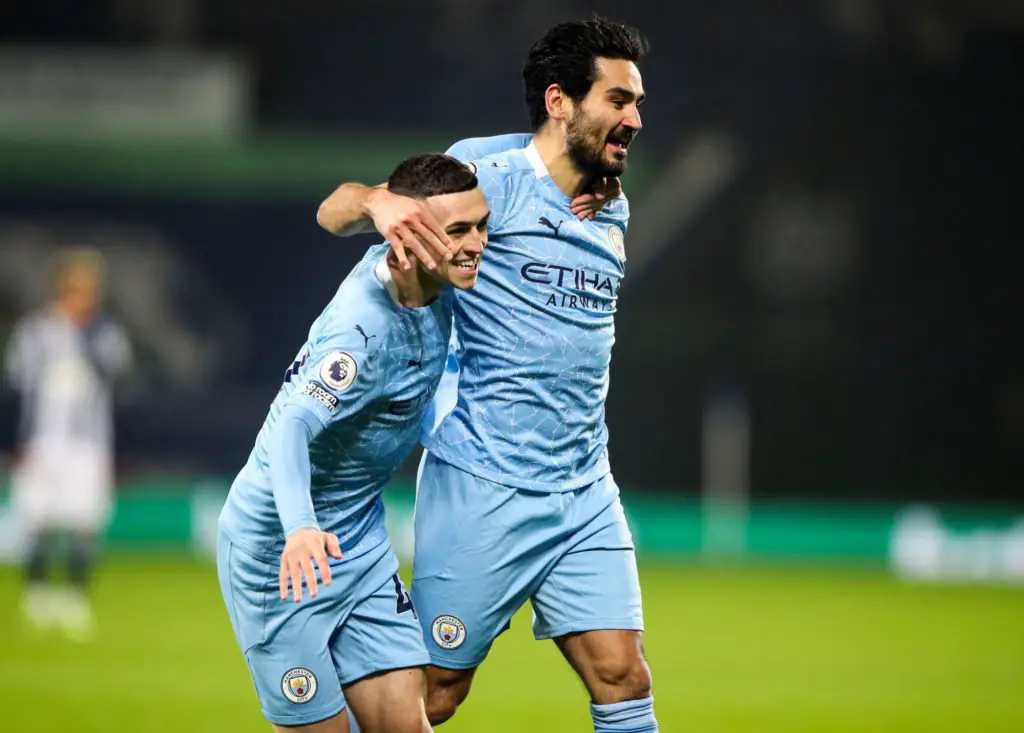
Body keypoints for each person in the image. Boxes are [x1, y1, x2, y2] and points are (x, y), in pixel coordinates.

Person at [316, 17, 659, 733]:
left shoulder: (611, 199)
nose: (634, 118)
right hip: (485, 483)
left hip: (584, 487)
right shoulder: (483, 178)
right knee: (435, 693)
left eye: (637, 102)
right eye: (618, 100)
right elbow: (335, 210)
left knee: (623, 675)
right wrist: (376, 200)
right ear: (559, 101)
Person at [217, 153, 489, 733]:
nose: (477, 244)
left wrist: (588, 178)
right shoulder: (362, 334)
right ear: (409, 238)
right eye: (460, 231)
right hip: (282, 553)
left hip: (356, 543)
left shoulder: (433, 265)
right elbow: (292, 427)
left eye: (481, 226)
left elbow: (337, 208)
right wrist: (299, 528)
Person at [5, 246, 132, 641]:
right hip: (43, 441)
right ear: (63, 289)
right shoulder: (35, 333)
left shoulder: (105, 334)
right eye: (80, 288)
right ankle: (38, 596)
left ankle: (75, 599)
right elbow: (16, 391)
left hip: (88, 444)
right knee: (38, 519)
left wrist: (85, 337)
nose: (88, 297)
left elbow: (119, 381)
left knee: (83, 522)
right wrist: (16, 443)